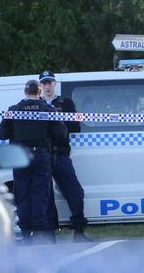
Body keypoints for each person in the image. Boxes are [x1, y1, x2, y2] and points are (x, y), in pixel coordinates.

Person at [0, 80, 67, 244]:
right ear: (39, 92)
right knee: (40, 194)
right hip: (40, 156)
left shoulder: (13, 110)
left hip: (20, 157)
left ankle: (26, 233)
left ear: (25, 92)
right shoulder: (47, 110)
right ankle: (41, 232)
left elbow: (1, 134)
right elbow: (61, 134)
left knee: (22, 194)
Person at [39, 70, 90, 242]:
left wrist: (55, 118)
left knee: (75, 192)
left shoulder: (65, 102)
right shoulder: (35, 104)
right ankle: (49, 235)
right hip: (43, 155)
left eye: (50, 82)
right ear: (40, 86)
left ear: (55, 84)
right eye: (44, 83)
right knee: (45, 196)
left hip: (60, 153)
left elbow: (75, 126)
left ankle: (79, 231)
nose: (47, 86)